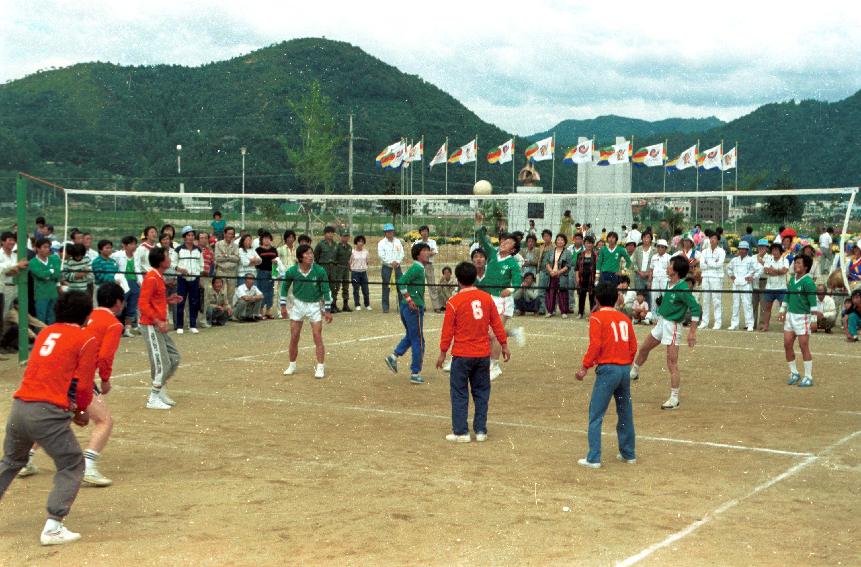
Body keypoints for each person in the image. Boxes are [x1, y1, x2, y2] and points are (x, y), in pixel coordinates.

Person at [0, 291, 98, 545]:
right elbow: (85, 386)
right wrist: (81, 411)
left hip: (20, 406)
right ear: (87, 314)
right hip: (47, 411)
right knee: (72, 464)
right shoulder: (85, 338)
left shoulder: (46, 332)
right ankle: (53, 526)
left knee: (11, 461)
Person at [436, 261, 509, 443]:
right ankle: (481, 430)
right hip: (482, 354)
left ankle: (461, 432)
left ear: (458, 280)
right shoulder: (486, 298)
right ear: (475, 277)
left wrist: (443, 353)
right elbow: (497, 324)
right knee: (482, 392)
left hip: (462, 354)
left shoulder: (453, 302)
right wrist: (505, 345)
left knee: (460, 392)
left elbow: (447, 332)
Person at [574, 282, 638, 468]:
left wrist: (585, 367)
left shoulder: (596, 318)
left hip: (608, 370)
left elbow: (595, 346)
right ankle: (629, 453)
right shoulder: (624, 318)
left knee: (596, 414)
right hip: (624, 368)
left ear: (597, 299)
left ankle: (594, 457)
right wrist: (625, 361)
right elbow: (633, 347)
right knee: (625, 412)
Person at [630, 255, 701, 410]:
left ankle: (674, 399)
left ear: (675, 271)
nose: (668, 267)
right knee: (644, 348)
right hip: (662, 323)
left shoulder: (682, 288)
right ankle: (634, 372)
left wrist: (692, 332)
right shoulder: (670, 282)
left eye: (670, 265)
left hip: (673, 326)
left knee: (671, 363)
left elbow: (696, 308)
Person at [77, 282, 125, 486]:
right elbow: (105, 356)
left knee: (56, 417)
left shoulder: (87, 315)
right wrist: (105, 380)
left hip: (63, 372)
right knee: (105, 420)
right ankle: (88, 465)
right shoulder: (114, 324)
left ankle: (28, 458)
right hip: (80, 376)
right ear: (117, 302)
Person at [473, 211, 524, 381]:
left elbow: (517, 281)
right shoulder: (492, 255)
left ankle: (493, 366)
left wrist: (509, 290)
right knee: (486, 333)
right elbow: (482, 239)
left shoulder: (512, 264)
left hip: (503, 302)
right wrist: (479, 223)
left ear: (513, 249)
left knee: (494, 333)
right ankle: (513, 335)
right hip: (488, 299)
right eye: (503, 240)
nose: (503, 243)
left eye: (508, 242)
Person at [280, 243, 333, 379]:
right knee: (294, 336)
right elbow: (284, 287)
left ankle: (320, 367)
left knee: (317, 336)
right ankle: (292, 365)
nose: (311, 256)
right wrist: (283, 306)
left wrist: (327, 310)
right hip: (298, 305)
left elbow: (326, 290)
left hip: (314, 306)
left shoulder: (319, 271)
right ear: (300, 258)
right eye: (307, 254)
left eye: (311, 253)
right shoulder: (292, 271)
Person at [139, 247, 183, 410]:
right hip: (151, 325)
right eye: (167, 256)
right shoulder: (152, 277)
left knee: (174, 357)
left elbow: (154, 300)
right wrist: (157, 320)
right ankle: (153, 397)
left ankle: (161, 388)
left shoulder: (158, 277)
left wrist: (168, 300)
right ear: (160, 261)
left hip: (158, 324)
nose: (169, 258)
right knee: (162, 361)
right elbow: (143, 303)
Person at [384, 242, 431, 384]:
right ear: (418, 254)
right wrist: (410, 299)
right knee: (419, 340)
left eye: (428, 250)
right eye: (425, 251)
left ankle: (393, 356)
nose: (428, 253)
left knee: (412, 336)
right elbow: (401, 282)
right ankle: (415, 373)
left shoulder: (419, 267)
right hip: (413, 308)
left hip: (408, 308)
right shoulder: (417, 268)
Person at [779, 255, 822, 387]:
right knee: (787, 344)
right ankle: (794, 373)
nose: (795, 265)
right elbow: (787, 296)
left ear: (805, 267)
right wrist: (782, 310)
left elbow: (813, 302)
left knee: (803, 346)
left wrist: (814, 319)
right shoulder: (792, 279)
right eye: (795, 263)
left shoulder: (808, 282)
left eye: (798, 263)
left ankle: (808, 377)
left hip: (803, 317)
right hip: (790, 316)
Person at [112, 235, 142, 338]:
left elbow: (137, 269)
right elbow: (111, 264)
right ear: (124, 245)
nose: (134, 246)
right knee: (120, 305)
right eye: (131, 244)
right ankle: (115, 328)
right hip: (123, 283)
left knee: (132, 307)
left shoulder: (136, 256)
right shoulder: (117, 255)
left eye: (135, 244)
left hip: (134, 282)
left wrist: (140, 282)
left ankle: (127, 329)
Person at [175, 226, 203, 334]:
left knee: (194, 302)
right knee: (181, 301)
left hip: (195, 279)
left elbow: (201, 265)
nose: (190, 237)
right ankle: (180, 326)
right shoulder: (178, 250)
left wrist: (199, 276)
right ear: (184, 237)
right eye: (188, 235)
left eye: (192, 235)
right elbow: (173, 264)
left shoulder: (198, 250)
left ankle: (192, 325)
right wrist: (180, 269)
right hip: (182, 279)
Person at [727, 241, 760, 331]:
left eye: (744, 249)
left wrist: (753, 277)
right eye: (740, 249)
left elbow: (760, 269)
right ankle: (734, 324)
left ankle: (749, 324)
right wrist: (731, 276)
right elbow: (728, 268)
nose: (742, 251)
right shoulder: (734, 260)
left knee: (747, 305)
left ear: (747, 250)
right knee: (735, 305)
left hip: (746, 285)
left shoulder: (751, 260)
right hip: (736, 284)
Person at [29, 238, 61, 325]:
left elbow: (58, 275)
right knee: (41, 319)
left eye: (49, 247)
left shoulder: (54, 259)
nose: (48, 249)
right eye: (45, 247)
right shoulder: (32, 262)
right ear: (38, 248)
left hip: (53, 293)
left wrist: (48, 274)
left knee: (52, 317)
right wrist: (51, 271)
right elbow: (40, 275)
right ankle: (39, 337)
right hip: (41, 294)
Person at [698, 231, 725, 330]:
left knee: (716, 300)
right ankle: (705, 322)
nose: (712, 240)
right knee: (706, 300)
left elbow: (719, 265)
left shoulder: (721, 251)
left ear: (718, 240)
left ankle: (718, 322)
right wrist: (713, 263)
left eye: (714, 238)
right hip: (706, 277)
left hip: (717, 278)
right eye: (711, 238)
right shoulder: (704, 251)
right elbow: (701, 265)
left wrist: (708, 262)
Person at [760, 243, 789, 332]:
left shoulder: (785, 259)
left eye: (776, 250)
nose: (775, 252)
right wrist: (778, 272)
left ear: (780, 251)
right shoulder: (769, 259)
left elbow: (784, 271)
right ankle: (766, 326)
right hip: (769, 287)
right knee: (767, 308)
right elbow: (766, 271)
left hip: (782, 288)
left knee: (783, 308)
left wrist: (774, 271)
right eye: (773, 250)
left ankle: (786, 326)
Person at [1, 231, 29, 323]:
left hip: (15, 288)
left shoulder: (16, 256)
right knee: (3, 315)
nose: (12, 242)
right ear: (3, 241)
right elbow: (2, 269)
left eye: (14, 240)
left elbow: (18, 270)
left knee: (14, 316)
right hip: (3, 289)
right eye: (10, 240)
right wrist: (16, 266)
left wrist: (13, 268)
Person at [377, 223, 405, 313]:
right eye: (388, 231)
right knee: (386, 287)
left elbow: (401, 253)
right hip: (387, 268)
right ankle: (385, 307)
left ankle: (402, 306)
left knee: (400, 286)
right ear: (385, 232)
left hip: (397, 267)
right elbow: (381, 255)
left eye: (391, 231)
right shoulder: (381, 243)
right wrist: (390, 262)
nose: (390, 233)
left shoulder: (398, 242)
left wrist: (397, 261)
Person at [544, 234, 571, 319]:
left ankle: (563, 311)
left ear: (565, 242)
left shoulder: (567, 253)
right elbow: (547, 263)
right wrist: (551, 271)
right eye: (558, 239)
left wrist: (559, 272)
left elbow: (568, 265)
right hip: (551, 275)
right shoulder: (551, 251)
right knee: (551, 293)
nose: (560, 241)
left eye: (562, 240)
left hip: (562, 276)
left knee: (562, 293)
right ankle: (550, 311)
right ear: (556, 241)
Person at [417, 225, 442, 312]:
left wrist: (423, 253)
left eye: (426, 231)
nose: (424, 233)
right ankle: (421, 305)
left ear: (428, 232)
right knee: (420, 285)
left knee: (432, 285)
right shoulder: (417, 243)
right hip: (420, 265)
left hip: (429, 265)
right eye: (423, 231)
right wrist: (428, 252)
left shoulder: (432, 242)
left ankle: (436, 306)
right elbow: (416, 253)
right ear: (420, 233)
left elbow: (434, 252)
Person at [254, 231, 278, 319]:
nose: (267, 240)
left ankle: (268, 310)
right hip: (261, 272)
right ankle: (260, 311)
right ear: (261, 240)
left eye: (268, 238)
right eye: (265, 238)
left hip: (271, 273)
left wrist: (275, 273)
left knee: (270, 292)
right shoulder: (258, 250)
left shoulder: (274, 250)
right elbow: (256, 263)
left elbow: (276, 262)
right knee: (261, 291)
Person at [575, 235, 598, 318]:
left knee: (592, 297)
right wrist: (577, 277)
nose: (589, 245)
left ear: (593, 244)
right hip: (582, 279)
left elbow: (598, 268)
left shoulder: (596, 255)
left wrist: (597, 279)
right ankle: (580, 313)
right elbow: (577, 268)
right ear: (584, 244)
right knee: (581, 296)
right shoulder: (580, 255)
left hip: (592, 279)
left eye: (591, 243)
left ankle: (592, 313)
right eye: (587, 243)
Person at [214, 226, 241, 299]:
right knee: (221, 294)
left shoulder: (236, 246)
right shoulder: (218, 244)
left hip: (232, 272)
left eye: (232, 234)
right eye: (229, 233)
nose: (230, 236)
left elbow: (237, 259)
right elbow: (217, 258)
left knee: (230, 294)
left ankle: (229, 310)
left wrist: (226, 256)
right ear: (224, 234)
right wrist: (231, 257)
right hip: (221, 272)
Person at [334, 228, 353, 312]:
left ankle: (345, 305)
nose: (346, 238)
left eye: (347, 236)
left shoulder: (349, 247)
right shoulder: (337, 247)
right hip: (338, 268)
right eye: (344, 236)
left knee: (346, 287)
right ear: (340, 237)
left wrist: (349, 266)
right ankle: (333, 304)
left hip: (346, 268)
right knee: (336, 287)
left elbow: (349, 258)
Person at [350, 235, 371, 311]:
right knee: (356, 289)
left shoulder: (366, 252)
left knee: (366, 290)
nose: (360, 243)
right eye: (359, 241)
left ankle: (367, 304)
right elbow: (350, 262)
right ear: (356, 242)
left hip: (363, 272)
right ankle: (357, 304)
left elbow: (367, 262)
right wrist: (353, 269)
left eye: (362, 241)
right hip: (355, 272)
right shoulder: (352, 252)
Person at [753, 238, 770, 329]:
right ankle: (752, 323)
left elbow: (769, 270)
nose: (761, 248)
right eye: (760, 246)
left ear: (767, 248)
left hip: (764, 281)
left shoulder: (770, 257)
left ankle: (762, 324)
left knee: (764, 303)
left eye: (763, 247)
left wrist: (762, 262)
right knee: (753, 303)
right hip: (754, 281)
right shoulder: (753, 257)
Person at [536, 229, 554, 315]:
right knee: (541, 291)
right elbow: (540, 259)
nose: (546, 238)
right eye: (544, 236)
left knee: (551, 291)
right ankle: (542, 308)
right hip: (543, 270)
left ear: (551, 237)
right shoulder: (541, 247)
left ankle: (551, 309)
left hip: (552, 271)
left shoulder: (554, 247)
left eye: (548, 236)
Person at [632, 232, 654, 299]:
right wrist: (639, 272)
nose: (646, 239)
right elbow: (634, 263)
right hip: (639, 276)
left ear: (651, 239)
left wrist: (648, 273)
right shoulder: (637, 249)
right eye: (644, 237)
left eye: (648, 237)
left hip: (650, 277)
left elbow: (655, 265)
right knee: (639, 296)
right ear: (642, 239)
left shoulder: (655, 250)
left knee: (650, 297)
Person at [649, 239, 671, 305]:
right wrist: (649, 282)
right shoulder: (654, 257)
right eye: (658, 246)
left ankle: (665, 314)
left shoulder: (669, 257)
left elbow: (671, 270)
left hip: (665, 279)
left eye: (662, 247)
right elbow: (651, 270)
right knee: (654, 297)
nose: (660, 248)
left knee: (665, 297)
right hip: (655, 279)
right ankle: (654, 313)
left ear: (665, 248)